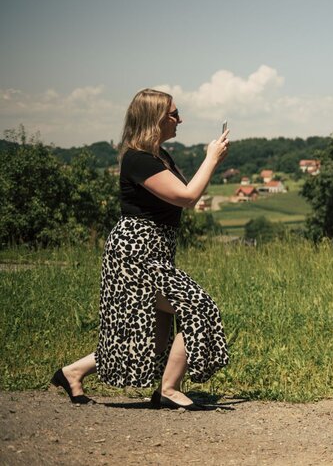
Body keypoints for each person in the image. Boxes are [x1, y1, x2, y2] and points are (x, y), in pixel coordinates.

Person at [51, 88, 230, 411]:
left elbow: (184, 195)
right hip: (136, 251)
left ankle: (72, 372)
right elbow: (187, 197)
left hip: (155, 251)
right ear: (155, 119)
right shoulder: (139, 160)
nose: (180, 119)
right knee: (198, 307)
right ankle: (169, 389)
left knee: (151, 335)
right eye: (173, 114)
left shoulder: (160, 156)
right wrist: (211, 158)